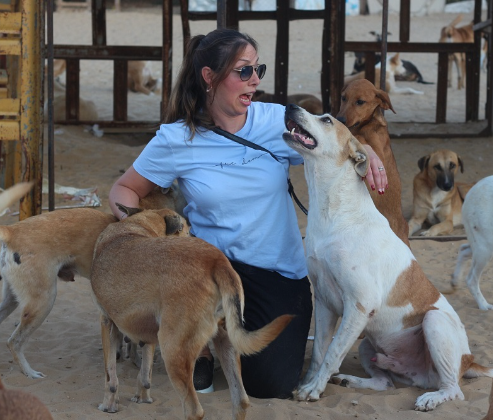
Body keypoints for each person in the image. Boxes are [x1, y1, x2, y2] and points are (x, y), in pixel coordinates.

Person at [109, 28, 388, 399]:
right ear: (209, 76)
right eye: (243, 71)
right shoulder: (176, 139)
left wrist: (366, 151)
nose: (254, 80)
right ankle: (205, 346)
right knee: (195, 279)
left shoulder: (277, 121)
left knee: (270, 384)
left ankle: (218, 332)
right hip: (208, 269)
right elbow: (124, 189)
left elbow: (334, 141)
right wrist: (142, 237)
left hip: (275, 271)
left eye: (258, 70)